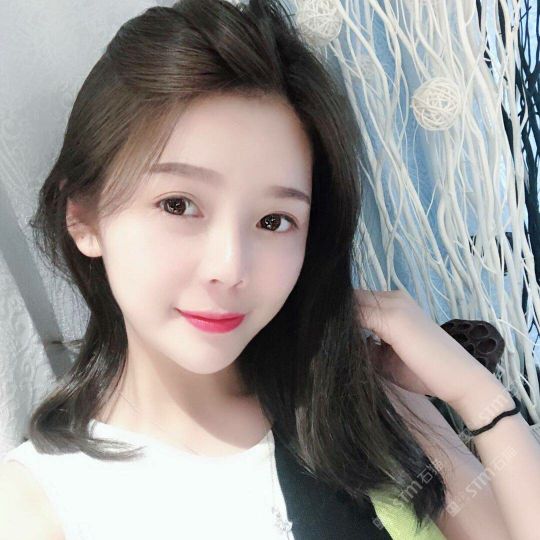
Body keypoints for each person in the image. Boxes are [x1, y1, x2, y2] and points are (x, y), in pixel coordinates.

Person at [1, 0, 539, 538]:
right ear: (84, 218)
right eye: (178, 205)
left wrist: (475, 395)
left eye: (274, 220)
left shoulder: (362, 403)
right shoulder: (40, 503)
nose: (230, 267)